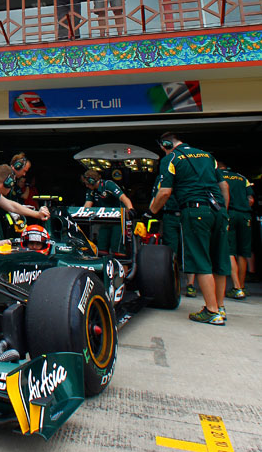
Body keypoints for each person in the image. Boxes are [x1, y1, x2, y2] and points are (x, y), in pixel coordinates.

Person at [149, 132, 229, 325]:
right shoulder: (207, 156)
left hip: (195, 211)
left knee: (201, 260)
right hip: (218, 210)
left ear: (166, 144)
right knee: (219, 259)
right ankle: (220, 307)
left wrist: (150, 212)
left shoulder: (172, 159)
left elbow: (165, 192)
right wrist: (223, 211)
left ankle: (211, 311)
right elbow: (224, 185)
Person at [216, 160, 254, 299]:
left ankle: (236, 287)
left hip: (229, 213)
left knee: (229, 250)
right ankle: (241, 286)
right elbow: (251, 200)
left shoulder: (217, 175)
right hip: (245, 216)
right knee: (243, 252)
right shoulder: (242, 177)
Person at [82, 169, 134, 253]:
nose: (86, 185)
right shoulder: (91, 191)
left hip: (118, 221)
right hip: (105, 221)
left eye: (87, 183)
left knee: (117, 250)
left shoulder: (108, 185)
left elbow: (123, 198)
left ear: (92, 181)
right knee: (101, 248)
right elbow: (87, 206)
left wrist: (131, 209)